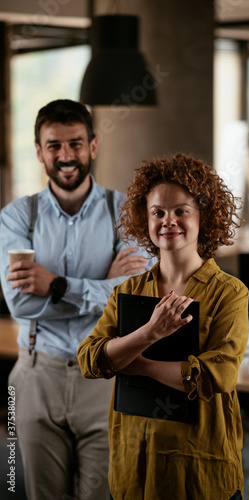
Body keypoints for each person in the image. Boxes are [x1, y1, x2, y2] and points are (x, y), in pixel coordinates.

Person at [0, 99, 156, 500]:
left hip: (107, 375)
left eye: (75, 143)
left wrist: (55, 284)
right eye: (54, 146)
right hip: (34, 378)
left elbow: (136, 299)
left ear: (93, 146)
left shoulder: (128, 214)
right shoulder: (16, 218)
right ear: (39, 151)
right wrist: (104, 284)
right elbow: (20, 306)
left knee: (103, 495)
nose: (66, 156)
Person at [77, 153, 249, 500]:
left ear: (205, 215)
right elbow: (90, 360)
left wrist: (135, 362)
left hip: (200, 472)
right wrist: (149, 333)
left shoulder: (229, 293)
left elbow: (218, 376)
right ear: (146, 218)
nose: (168, 221)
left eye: (181, 211)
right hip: (133, 470)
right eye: (158, 212)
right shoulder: (126, 290)